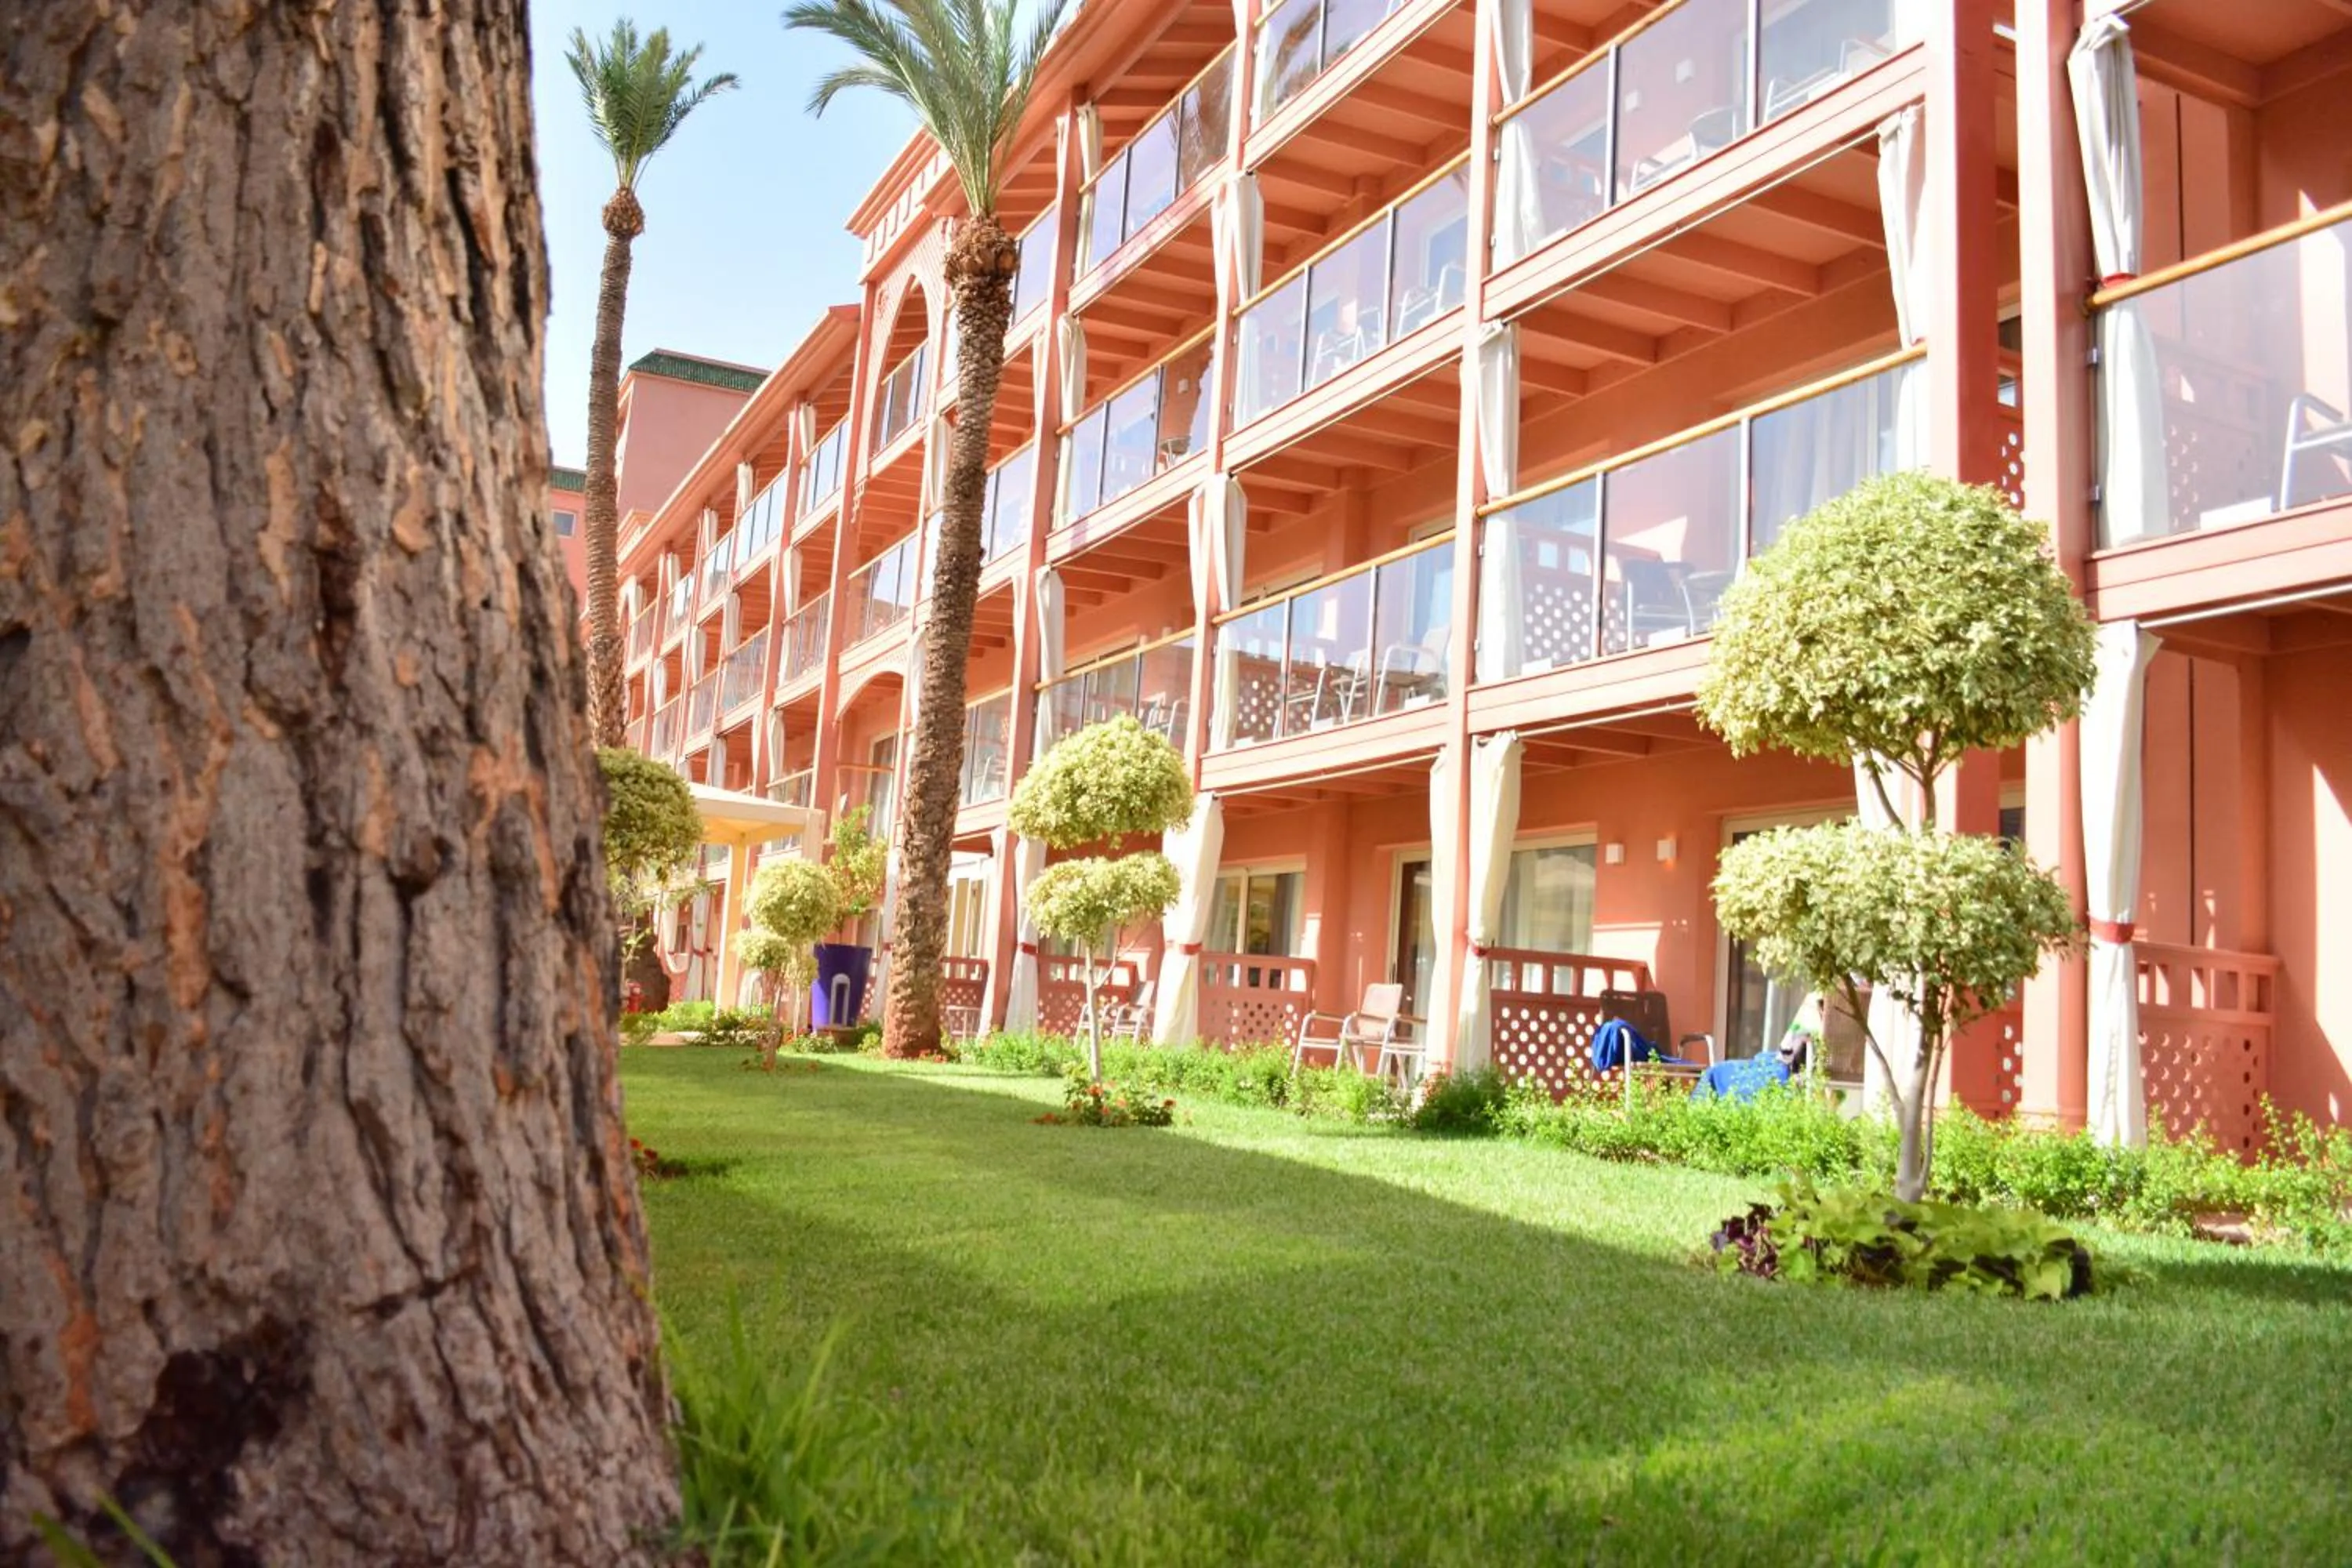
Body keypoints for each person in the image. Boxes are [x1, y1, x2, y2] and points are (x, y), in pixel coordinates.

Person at [1693, 992, 1824, 1102]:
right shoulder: (1816, 1007)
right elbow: (1787, 1052)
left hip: (1793, 1068)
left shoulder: (1816, 1007)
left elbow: (1787, 1054)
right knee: (1722, 1071)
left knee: (1723, 1072)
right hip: (1792, 1064)